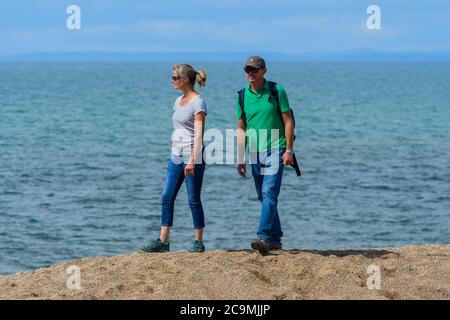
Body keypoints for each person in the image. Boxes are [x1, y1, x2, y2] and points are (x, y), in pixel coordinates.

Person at [142, 64, 208, 253]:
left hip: (192, 156)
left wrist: (192, 160)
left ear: (185, 79)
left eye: (174, 78)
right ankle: (163, 241)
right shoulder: (178, 101)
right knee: (166, 197)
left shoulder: (198, 103)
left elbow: (198, 134)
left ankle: (198, 241)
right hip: (175, 156)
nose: (172, 81)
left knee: (193, 199)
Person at [236, 56, 295, 254]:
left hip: (276, 149)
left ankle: (263, 236)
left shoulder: (276, 90)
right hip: (254, 151)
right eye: (247, 70)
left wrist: (288, 150)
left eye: (254, 69)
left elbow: (288, 121)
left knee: (270, 193)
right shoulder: (242, 96)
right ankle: (275, 238)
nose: (250, 73)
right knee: (263, 196)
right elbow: (241, 128)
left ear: (264, 71)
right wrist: (240, 156)